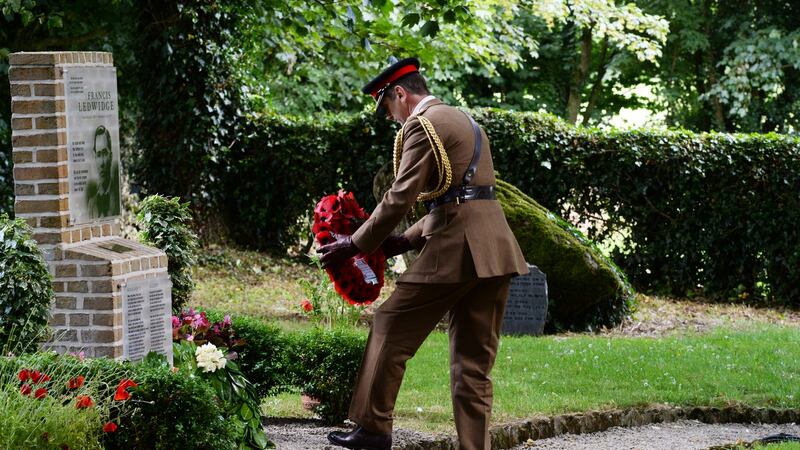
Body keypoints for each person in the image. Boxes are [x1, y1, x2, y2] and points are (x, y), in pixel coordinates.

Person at [319, 57, 528, 450]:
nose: (389, 117)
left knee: (389, 325)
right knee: (473, 366)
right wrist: (402, 241)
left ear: (400, 94)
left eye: (386, 107)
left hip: (456, 250)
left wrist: (354, 243)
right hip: (495, 251)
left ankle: (374, 429)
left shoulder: (423, 123)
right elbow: (461, 198)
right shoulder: (466, 121)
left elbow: (400, 197)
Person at [85, 125, 120, 218]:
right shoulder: (91, 205)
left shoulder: (118, 198)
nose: (101, 163)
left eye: (104, 153)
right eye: (98, 155)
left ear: (111, 156)